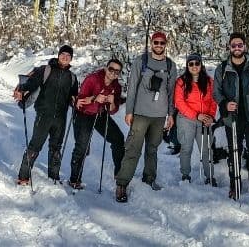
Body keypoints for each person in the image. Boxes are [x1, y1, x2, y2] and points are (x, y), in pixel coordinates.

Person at [115, 31, 177, 203]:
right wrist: (129, 111)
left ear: (165, 45)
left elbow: (172, 92)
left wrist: (171, 115)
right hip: (141, 114)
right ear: (151, 44)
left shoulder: (171, 66)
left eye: (161, 43)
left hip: (159, 116)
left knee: (152, 149)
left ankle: (149, 179)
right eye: (156, 42)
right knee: (133, 148)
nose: (159, 45)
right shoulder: (140, 61)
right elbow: (132, 87)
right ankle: (122, 183)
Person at [13, 44, 79, 184]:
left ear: (71, 59)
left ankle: (54, 177)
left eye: (68, 56)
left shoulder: (72, 77)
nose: (65, 57)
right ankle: (23, 176)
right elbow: (32, 83)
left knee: (56, 149)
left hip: (61, 118)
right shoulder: (46, 70)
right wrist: (22, 91)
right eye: (63, 54)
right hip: (44, 115)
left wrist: (75, 100)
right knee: (35, 146)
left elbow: (73, 95)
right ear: (58, 55)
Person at [213, 32, 249, 199]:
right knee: (234, 152)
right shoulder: (223, 68)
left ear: (245, 46)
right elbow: (216, 92)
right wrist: (225, 103)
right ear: (229, 47)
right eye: (234, 45)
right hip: (231, 117)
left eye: (240, 45)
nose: (237, 48)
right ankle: (234, 184)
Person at [68, 58, 126, 190]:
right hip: (83, 114)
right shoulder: (93, 79)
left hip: (100, 115)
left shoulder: (116, 86)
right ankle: (74, 180)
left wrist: (111, 102)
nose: (113, 73)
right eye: (111, 69)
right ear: (106, 68)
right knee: (81, 147)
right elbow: (80, 100)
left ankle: (119, 173)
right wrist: (94, 98)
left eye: (117, 71)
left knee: (118, 138)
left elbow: (113, 111)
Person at [173, 53, 217, 185]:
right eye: (191, 64)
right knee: (186, 148)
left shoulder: (209, 81)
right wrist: (196, 115)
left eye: (197, 63)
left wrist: (211, 116)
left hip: (205, 120)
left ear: (201, 65)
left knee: (206, 149)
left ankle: (210, 177)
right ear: (187, 66)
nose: (194, 66)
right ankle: (185, 175)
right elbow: (179, 102)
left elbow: (213, 101)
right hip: (187, 119)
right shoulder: (181, 82)